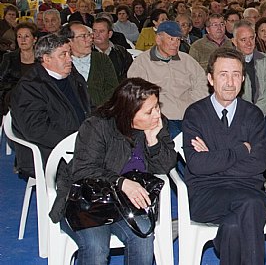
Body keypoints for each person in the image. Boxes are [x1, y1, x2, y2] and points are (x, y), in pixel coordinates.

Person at [49, 78, 176, 265]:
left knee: (142, 237)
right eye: (149, 111)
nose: (157, 114)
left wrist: (152, 141)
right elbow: (83, 170)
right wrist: (121, 182)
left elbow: (165, 166)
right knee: (96, 247)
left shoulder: (156, 124)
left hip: (126, 204)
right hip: (88, 200)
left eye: (157, 106)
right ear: (129, 112)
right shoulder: (97, 126)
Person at [183, 48, 266, 265]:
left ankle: (225, 240)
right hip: (206, 195)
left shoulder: (253, 114)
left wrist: (213, 158)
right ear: (210, 79)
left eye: (236, 75)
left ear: (243, 79)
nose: (230, 82)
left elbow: (258, 164)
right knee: (252, 204)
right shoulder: (195, 114)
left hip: (247, 187)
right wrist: (240, 151)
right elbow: (196, 165)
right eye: (223, 75)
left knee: (232, 226)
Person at [11, 34, 91, 178]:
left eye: (69, 53)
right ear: (47, 59)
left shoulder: (72, 76)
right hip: (50, 152)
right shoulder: (29, 87)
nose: (70, 59)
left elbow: (88, 107)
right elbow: (36, 130)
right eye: (63, 55)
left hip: (80, 141)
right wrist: (79, 141)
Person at [128, 21, 209, 138]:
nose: (176, 44)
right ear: (158, 39)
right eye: (171, 39)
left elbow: (202, 84)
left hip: (190, 113)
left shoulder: (187, 61)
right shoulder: (142, 63)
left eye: (178, 40)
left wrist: (192, 104)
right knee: (175, 138)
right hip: (161, 117)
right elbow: (137, 94)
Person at [232, 20, 266, 141]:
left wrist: (256, 112)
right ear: (234, 42)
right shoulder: (228, 63)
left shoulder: (264, 60)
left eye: (251, 38)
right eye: (243, 40)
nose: (249, 43)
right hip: (238, 116)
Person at [60, 22, 119, 107]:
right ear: (69, 41)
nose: (90, 40)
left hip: (102, 111)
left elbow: (113, 90)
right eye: (83, 36)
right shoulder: (62, 63)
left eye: (89, 35)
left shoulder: (101, 59)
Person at [0, 22, 37, 114]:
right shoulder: (9, 57)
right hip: (13, 102)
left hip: (37, 102)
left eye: (26, 36)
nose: (22, 40)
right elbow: (1, 81)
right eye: (19, 36)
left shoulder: (43, 59)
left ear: (34, 39)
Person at [92, 17, 133, 82]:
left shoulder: (121, 52)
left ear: (110, 34)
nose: (97, 35)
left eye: (101, 31)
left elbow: (130, 74)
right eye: (94, 31)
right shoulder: (86, 52)